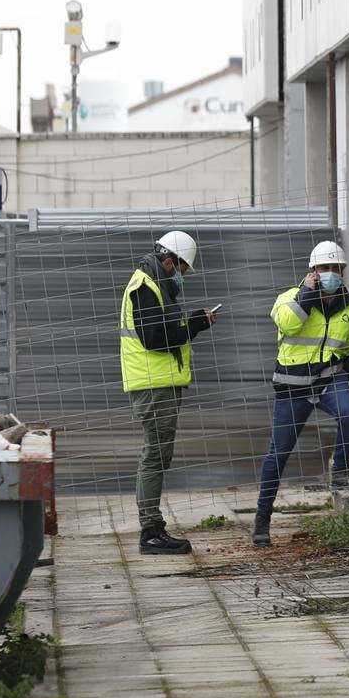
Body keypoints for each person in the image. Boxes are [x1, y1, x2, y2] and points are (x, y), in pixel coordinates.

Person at [252, 240, 349, 547]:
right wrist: (306, 294)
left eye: (335, 268)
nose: (330, 273)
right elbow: (288, 325)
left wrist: (345, 372)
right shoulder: (289, 299)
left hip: (328, 381)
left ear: (342, 271)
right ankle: (262, 520)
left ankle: (340, 469)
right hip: (292, 387)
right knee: (278, 453)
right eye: (324, 268)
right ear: (312, 271)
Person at [119, 230, 218, 555]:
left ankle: (152, 527)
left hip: (157, 383)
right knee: (154, 455)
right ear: (168, 262)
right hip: (152, 385)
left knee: (158, 454)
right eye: (183, 269)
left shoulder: (153, 283)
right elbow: (155, 338)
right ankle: (150, 530)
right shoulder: (146, 286)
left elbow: (162, 330)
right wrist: (195, 325)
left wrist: (191, 322)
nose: (183, 276)